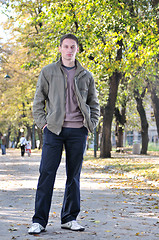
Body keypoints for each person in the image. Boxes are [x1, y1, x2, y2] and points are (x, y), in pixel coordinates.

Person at [28, 33, 100, 234]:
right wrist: (43, 124)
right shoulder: (48, 71)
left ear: (77, 49)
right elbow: (37, 101)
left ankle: (69, 218)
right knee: (46, 174)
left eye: (73, 47)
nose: (69, 50)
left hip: (78, 131)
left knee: (73, 176)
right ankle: (39, 221)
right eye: (66, 46)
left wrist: (90, 124)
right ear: (60, 48)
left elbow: (94, 103)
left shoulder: (86, 75)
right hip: (53, 130)